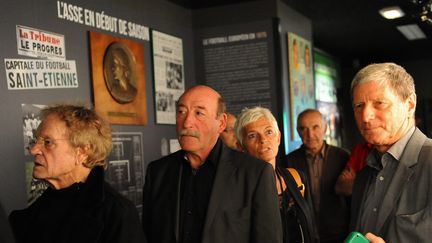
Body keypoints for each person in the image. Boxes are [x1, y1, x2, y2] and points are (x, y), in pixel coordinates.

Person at [142, 85, 282, 243]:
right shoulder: (157, 172)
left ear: (221, 123)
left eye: (199, 113)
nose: (187, 123)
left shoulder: (255, 173)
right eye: (181, 112)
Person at [9, 104, 145, 243]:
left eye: (48, 142)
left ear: (82, 153)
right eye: (36, 141)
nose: (34, 150)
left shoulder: (118, 214)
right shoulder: (31, 215)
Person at [350, 62, 432, 242]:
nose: (366, 116)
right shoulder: (364, 176)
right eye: (359, 106)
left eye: (379, 103)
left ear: (410, 104)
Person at [235, 106, 318, 243]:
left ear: (278, 137)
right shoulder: (236, 189)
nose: (263, 140)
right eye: (252, 136)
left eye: (268, 132)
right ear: (241, 147)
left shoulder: (296, 178)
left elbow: (312, 230)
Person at [287, 109, 350, 243]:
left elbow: (352, 199)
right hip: (304, 235)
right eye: (303, 129)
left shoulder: (343, 157)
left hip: (338, 234)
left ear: (325, 128)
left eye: (315, 127)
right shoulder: (290, 161)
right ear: (298, 131)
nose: (310, 134)